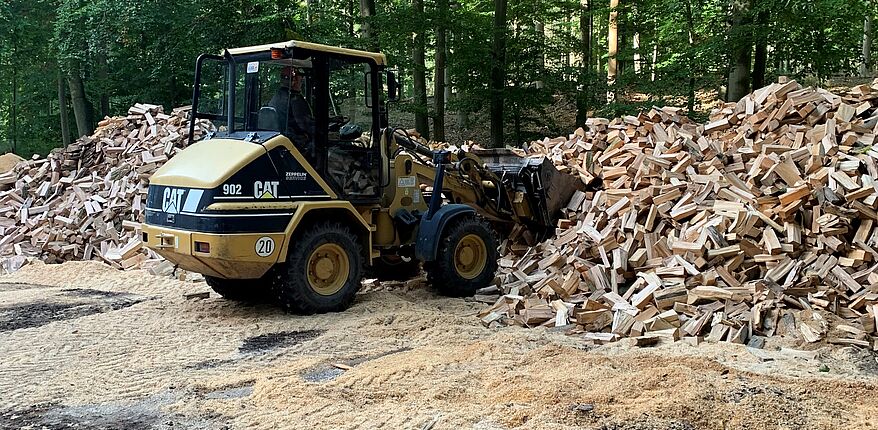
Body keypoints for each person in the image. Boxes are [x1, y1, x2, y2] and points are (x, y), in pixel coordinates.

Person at [268, 66, 315, 153]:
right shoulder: (295, 98)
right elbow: (305, 124)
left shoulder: (276, 96)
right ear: (294, 81)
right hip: (295, 142)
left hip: (282, 139)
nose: (302, 81)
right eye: (301, 79)